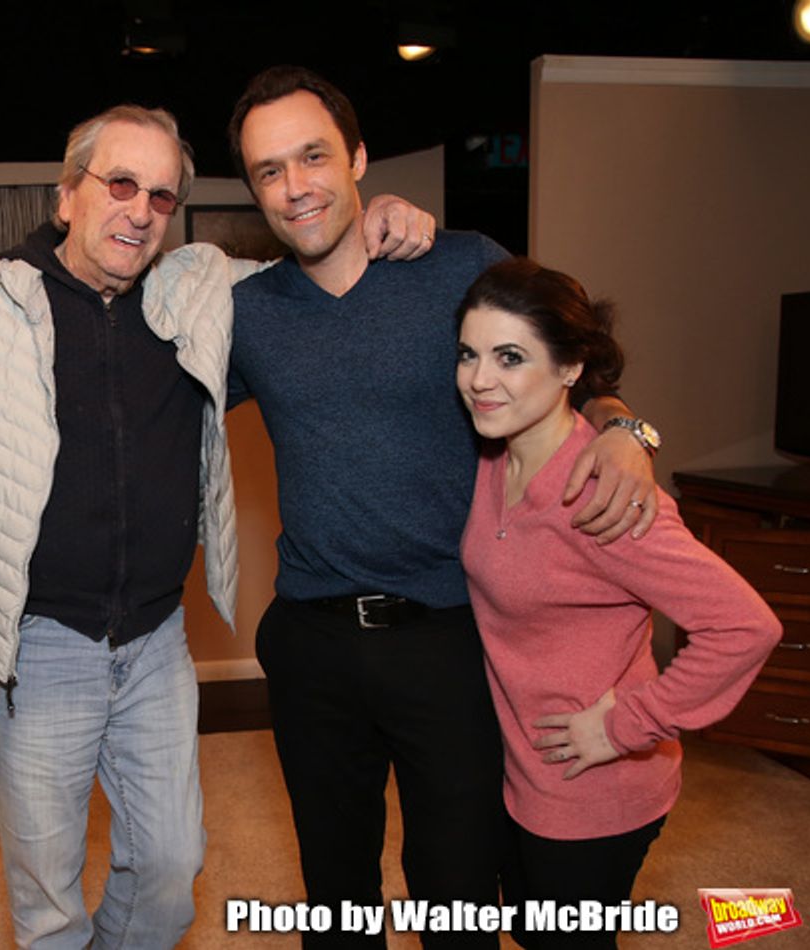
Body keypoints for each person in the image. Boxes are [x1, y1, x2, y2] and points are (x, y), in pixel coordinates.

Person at [0, 104, 436, 949]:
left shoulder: (201, 289)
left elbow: (317, 272)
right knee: (50, 903)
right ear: (68, 196)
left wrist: (383, 212)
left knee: (173, 873)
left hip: (155, 641)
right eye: (121, 184)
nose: (141, 210)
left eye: (163, 197)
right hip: (33, 652)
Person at [225, 66, 660, 947]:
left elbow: (581, 368)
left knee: (456, 893)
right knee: (335, 897)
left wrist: (629, 432)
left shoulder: (460, 264)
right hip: (313, 640)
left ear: (357, 157)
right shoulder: (243, 312)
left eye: (313, 156)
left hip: (453, 638)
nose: (295, 185)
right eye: (269, 170)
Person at [455, 257, 781, 949]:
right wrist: (627, 425)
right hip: (521, 768)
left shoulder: (606, 497)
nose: (480, 379)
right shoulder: (493, 457)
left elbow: (745, 625)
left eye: (510, 357)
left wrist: (629, 723)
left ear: (571, 368)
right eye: (469, 354)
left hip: (592, 791)